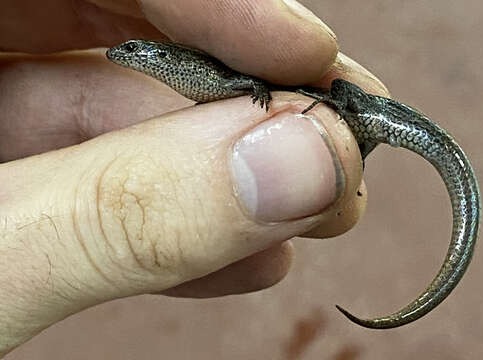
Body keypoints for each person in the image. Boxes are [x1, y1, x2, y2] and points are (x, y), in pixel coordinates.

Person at [0, 0, 389, 355]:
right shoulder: (187, 73)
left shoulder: (200, 74)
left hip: (338, 104)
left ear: (162, 55)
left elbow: (244, 83)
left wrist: (259, 93)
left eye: (136, 50)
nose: (124, 55)